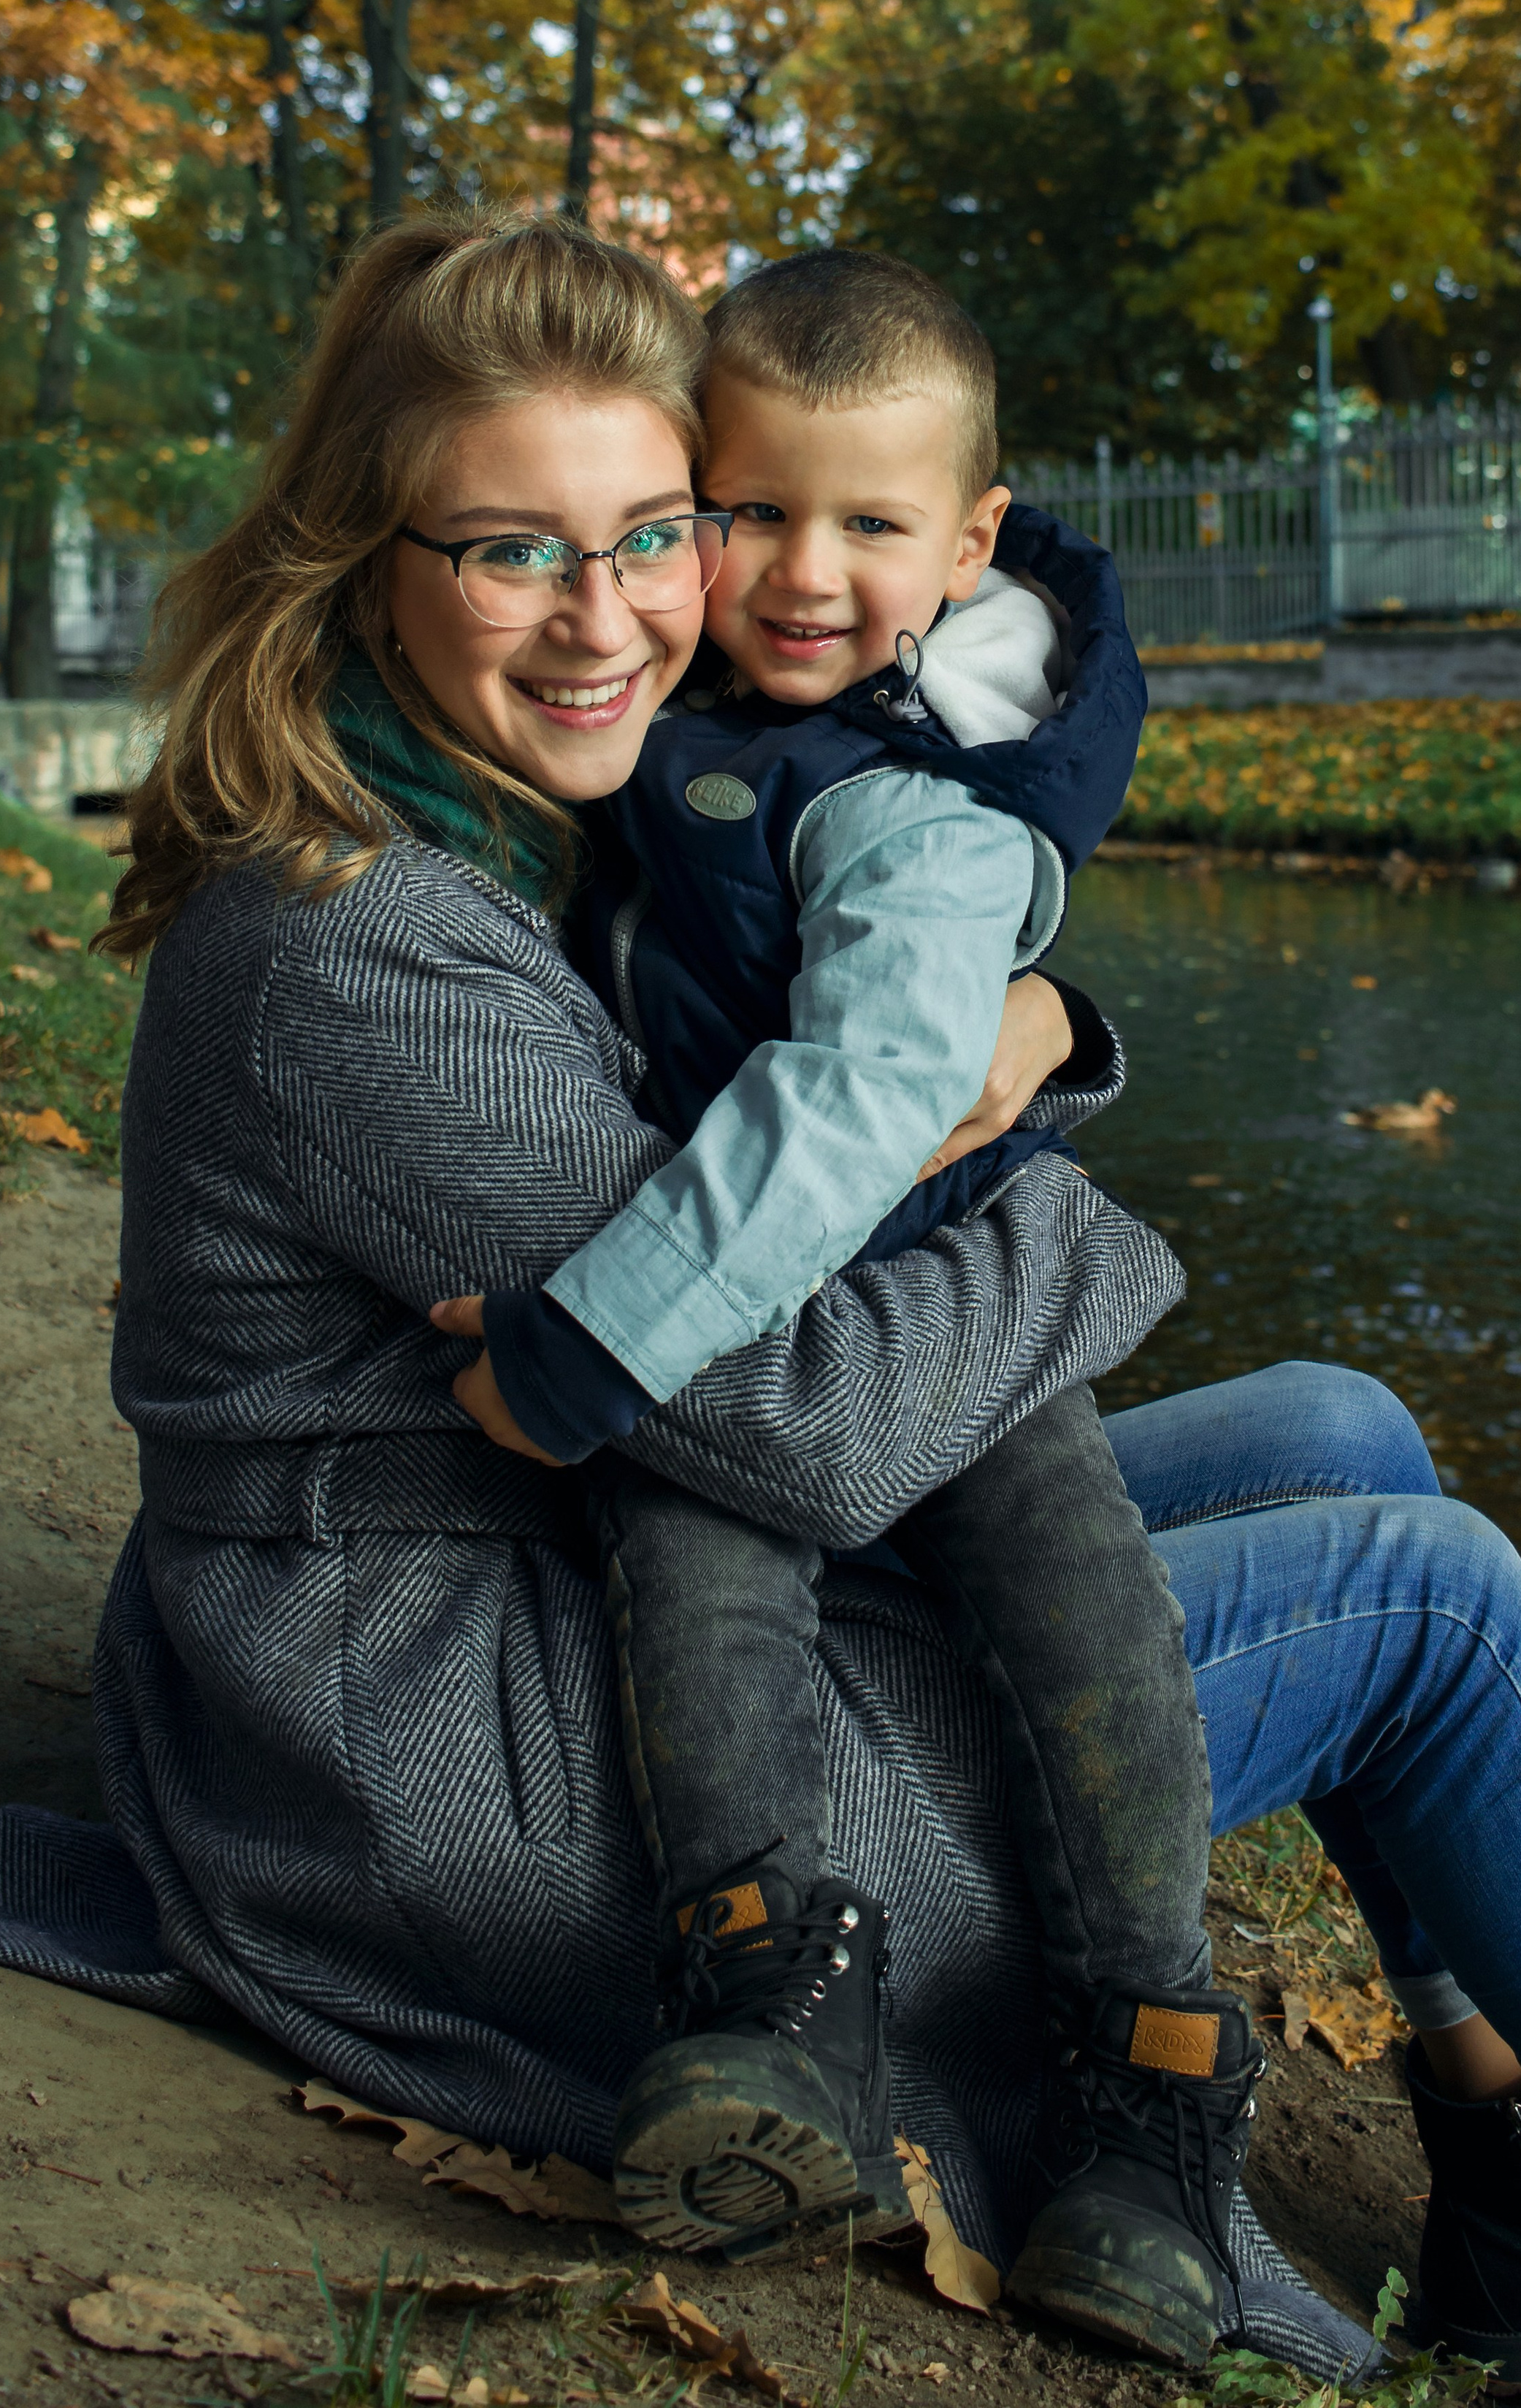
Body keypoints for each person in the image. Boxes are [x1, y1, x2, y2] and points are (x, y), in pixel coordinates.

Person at [0, 207, 1521, 2392]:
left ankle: (1508, 2131)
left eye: (654, 529)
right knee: (1426, 1605)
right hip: (470, 1758)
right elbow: (809, 1422)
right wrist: (1052, 1184)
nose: (612, 619)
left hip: (590, 1582)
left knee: (1344, 1421)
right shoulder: (358, 940)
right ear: (364, 556)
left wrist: (1037, 1011)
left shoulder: (553, 812)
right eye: (512, 551)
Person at [427, 249, 1241, 2361]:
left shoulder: (926, 800)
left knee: (1079, 1597)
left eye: (872, 527)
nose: (800, 574)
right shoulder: (680, 712)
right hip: (757, 1317)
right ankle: (764, 1990)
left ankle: (1149, 2077)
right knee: (700, 1571)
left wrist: (588, 1340)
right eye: (751, 508)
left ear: (970, 547)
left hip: (935, 1303)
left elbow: (870, 1084)